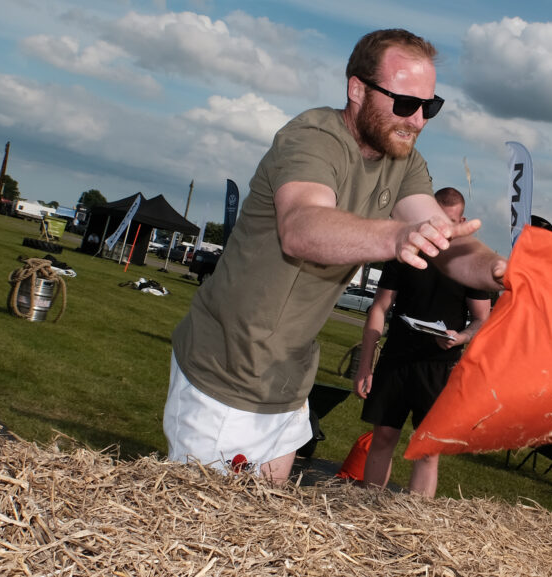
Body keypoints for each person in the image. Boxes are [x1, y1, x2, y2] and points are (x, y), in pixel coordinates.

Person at [164, 29, 506, 483]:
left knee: (255, 533)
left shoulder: (404, 161)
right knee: (201, 533)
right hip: (224, 373)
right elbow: (303, 228)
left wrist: (500, 272)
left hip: (287, 378)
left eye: (431, 106)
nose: (419, 120)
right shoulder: (312, 138)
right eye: (405, 103)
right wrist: (400, 236)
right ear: (357, 89)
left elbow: (448, 243)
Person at [353, 187, 491, 497]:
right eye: (438, 221)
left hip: (439, 367)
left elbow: (483, 317)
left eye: (452, 221)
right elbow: (379, 307)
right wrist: (365, 365)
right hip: (396, 359)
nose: (444, 230)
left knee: (428, 450)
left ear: (462, 220)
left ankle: (416, 524)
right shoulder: (408, 249)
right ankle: (367, 509)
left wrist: (462, 338)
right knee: (383, 437)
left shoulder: (471, 259)